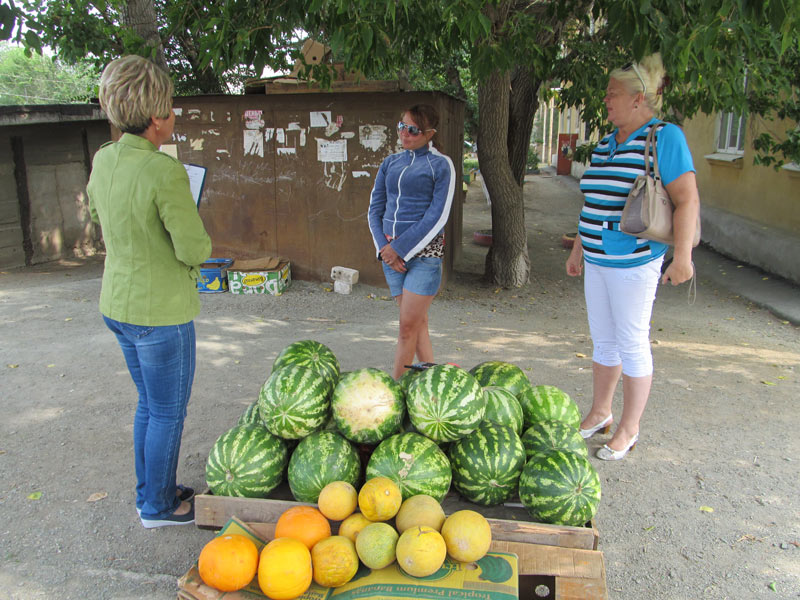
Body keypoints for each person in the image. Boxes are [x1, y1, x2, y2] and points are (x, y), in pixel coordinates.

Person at [87, 55, 212, 526]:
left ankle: (151, 491)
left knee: (151, 405)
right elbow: (194, 249)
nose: (174, 116)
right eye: (172, 108)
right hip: (160, 313)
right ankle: (158, 507)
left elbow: (99, 216)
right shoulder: (164, 171)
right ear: (158, 118)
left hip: (118, 304)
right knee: (167, 413)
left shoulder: (104, 157)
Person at [566, 53, 700, 461]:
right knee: (604, 341)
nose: (606, 100)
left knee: (631, 342)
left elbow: (686, 198)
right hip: (597, 257)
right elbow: (594, 202)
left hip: (635, 259)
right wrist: (578, 248)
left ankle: (629, 427)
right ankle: (601, 411)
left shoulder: (665, 137)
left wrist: (682, 256)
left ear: (639, 99)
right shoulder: (607, 143)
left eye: (613, 94)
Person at [368, 104, 456, 379]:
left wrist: (400, 249)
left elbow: (437, 216)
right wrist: (384, 250)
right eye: (402, 126)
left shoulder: (441, 164)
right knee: (418, 323)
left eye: (413, 129)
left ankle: (396, 390)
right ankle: (434, 383)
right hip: (390, 257)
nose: (405, 133)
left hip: (424, 257)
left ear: (429, 133)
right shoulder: (390, 163)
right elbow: (375, 208)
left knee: (407, 327)